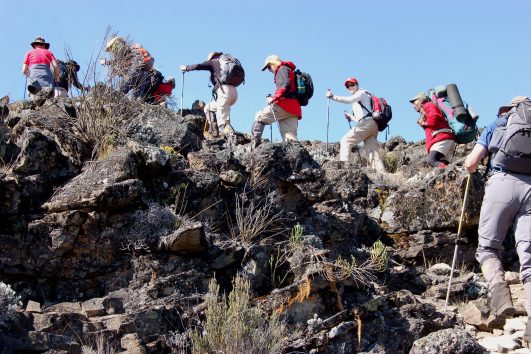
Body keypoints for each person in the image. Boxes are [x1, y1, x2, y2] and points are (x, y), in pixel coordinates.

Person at [464, 96, 531, 345]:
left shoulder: (497, 124)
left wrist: (468, 167)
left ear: (508, 110)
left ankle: (502, 299)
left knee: (488, 247)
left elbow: (472, 162)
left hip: (501, 183)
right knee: (529, 257)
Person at [326, 78, 385, 172]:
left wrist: (333, 97)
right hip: (373, 125)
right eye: (347, 86)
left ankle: (344, 170)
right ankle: (382, 174)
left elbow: (350, 100)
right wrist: (351, 117)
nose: (350, 87)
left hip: (367, 124)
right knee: (372, 152)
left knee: (345, 141)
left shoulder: (361, 93)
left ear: (357, 84)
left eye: (352, 84)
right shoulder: (365, 95)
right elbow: (362, 117)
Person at [179, 52, 238, 138]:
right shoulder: (228, 63)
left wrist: (186, 68)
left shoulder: (214, 62)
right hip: (234, 93)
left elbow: (198, 66)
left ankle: (232, 139)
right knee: (208, 108)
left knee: (224, 123)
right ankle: (214, 132)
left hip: (224, 91)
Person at [251, 55, 301, 147]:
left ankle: (255, 144)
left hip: (284, 105)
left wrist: (273, 98)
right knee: (290, 136)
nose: (269, 70)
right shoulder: (289, 70)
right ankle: (299, 158)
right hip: (294, 108)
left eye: (269, 67)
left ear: (273, 63)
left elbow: (283, 87)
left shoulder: (281, 69)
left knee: (259, 116)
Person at [410, 92, 456, 168]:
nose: (413, 106)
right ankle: (452, 172)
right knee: (443, 166)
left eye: (414, 102)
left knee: (431, 160)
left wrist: (423, 123)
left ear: (421, 100)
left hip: (442, 138)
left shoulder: (429, 105)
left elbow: (434, 120)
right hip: (444, 138)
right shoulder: (425, 111)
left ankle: (452, 171)